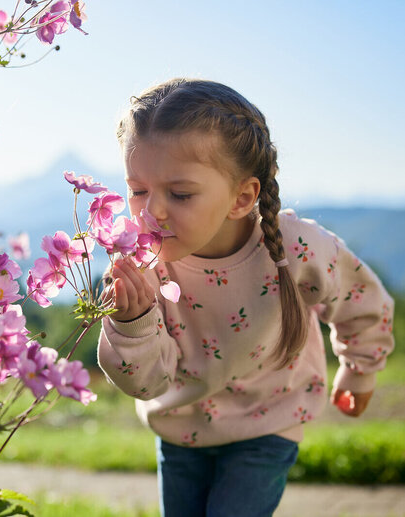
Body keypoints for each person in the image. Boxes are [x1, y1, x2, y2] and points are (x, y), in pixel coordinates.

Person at [97, 78, 395, 517]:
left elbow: (363, 301)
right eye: (138, 190)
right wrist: (132, 322)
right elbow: (145, 382)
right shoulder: (142, 269)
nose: (151, 212)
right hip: (182, 430)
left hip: (271, 420)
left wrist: (360, 369)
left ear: (242, 197)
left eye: (180, 194)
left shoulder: (299, 248)